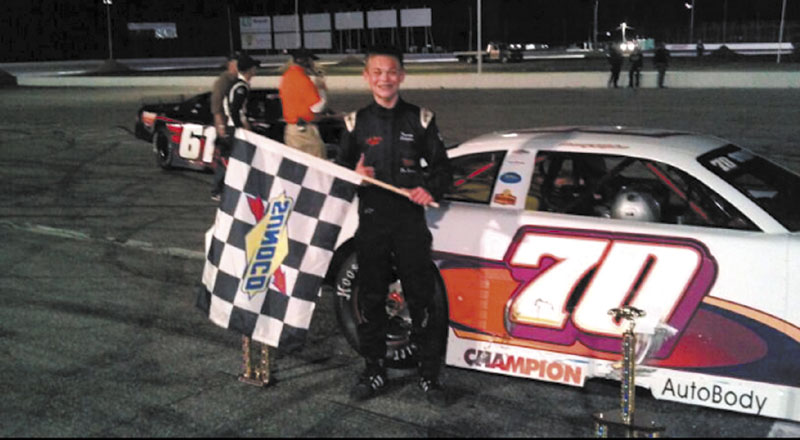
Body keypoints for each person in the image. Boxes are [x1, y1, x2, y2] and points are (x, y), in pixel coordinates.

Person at [337, 46, 453, 405]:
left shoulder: (421, 119)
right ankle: (374, 370)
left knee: (422, 300)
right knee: (371, 300)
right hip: (372, 223)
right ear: (366, 77)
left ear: (401, 76)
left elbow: (443, 170)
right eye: (377, 72)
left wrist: (428, 188)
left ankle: (429, 377)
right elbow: (338, 178)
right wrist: (353, 176)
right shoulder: (354, 123)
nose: (384, 78)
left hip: (409, 223)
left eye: (391, 72)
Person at [211, 53, 259, 202]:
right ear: (250, 70)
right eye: (254, 68)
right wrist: (240, 128)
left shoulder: (236, 84)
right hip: (233, 129)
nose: (256, 71)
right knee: (232, 159)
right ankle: (219, 189)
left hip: (231, 127)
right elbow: (235, 110)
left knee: (229, 159)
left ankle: (222, 189)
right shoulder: (240, 87)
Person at [279, 48, 328, 158]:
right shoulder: (303, 79)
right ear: (305, 61)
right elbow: (317, 107)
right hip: (305, 132)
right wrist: (321, 89)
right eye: (311, 60)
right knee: (318, 167)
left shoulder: (287, 77)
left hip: (291, 130)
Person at [209, 53, 239, 200]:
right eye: (237, 63)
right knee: (224, 158)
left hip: (229, 122)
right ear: (230, 64)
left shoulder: (235, 80)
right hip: (225, 124)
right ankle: (217, 190)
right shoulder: (224, 81)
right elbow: (217, 105)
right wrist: (220, 125)